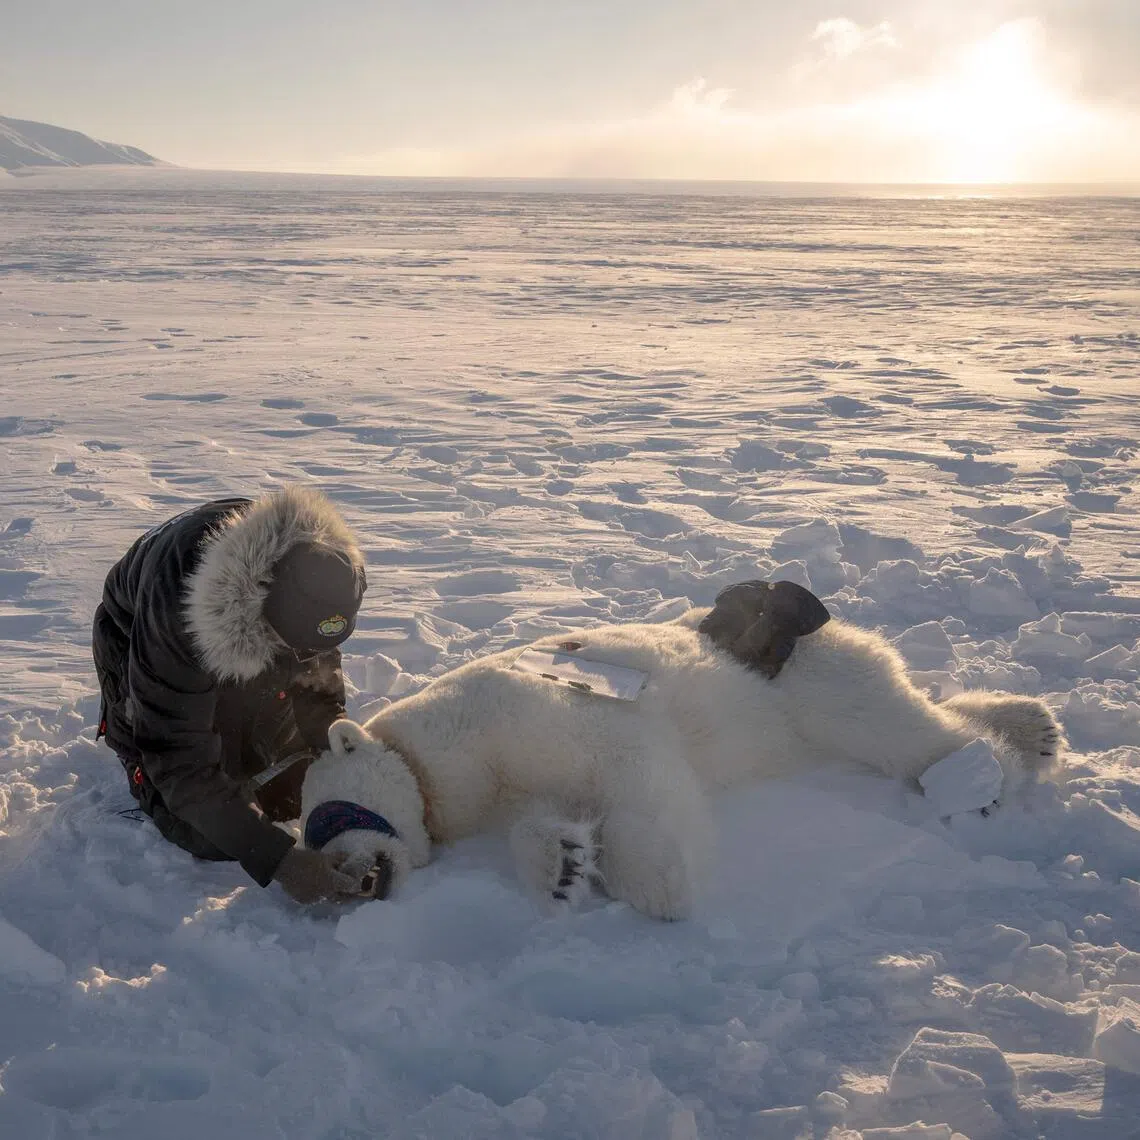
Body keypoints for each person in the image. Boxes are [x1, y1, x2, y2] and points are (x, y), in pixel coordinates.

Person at [92, 485, 369, 903]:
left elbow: (319, 680)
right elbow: (178, 761)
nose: (312, 659)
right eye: (298, 649)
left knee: (290, 783)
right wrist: (279, 861)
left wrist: (334, 750)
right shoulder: (176, 619)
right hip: (135, 639)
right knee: (204, 832)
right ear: (261, 620)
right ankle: (135, 764)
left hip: (243, 620)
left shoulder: (322, 575)